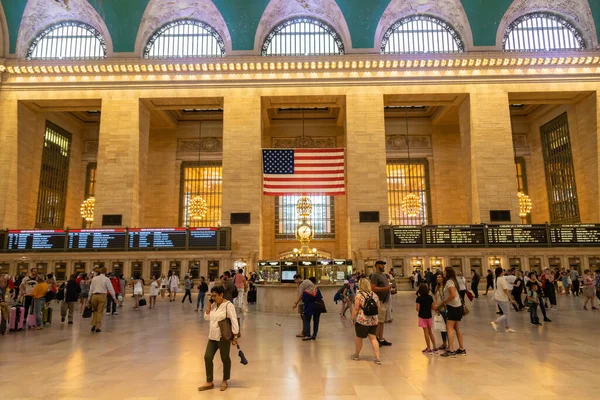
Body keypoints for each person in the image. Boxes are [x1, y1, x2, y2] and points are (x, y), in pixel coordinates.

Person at [198, 285, 239, 392]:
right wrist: (208, 305)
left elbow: (234, 320)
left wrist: (235, 336)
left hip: (223, 337)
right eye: (212, 296)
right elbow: (207, 317)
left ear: (221, 295)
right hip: (212, 336)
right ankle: (209, 381)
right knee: (207, 357)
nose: (213, 298)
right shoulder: (213, 305)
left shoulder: (228, 305)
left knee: (225, 358)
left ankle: (225, 380)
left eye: (215, 296)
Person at [350, 278, 381, 365]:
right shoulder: (374, 295)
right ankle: (377, 357)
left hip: (362, 321)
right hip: (373, 320)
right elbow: (379, 307)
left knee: (359, 338)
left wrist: (352, 318)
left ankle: (356, 355)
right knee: (373, 338)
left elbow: (356, 309)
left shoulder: (358, 296)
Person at [437, 267, 466, 357]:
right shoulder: (453, 281)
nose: (443, 272)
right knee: (457, 328)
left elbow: (453, 295)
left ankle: (451, 350)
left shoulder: (449, 282)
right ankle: (461, 348)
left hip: (453, 307)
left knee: (449, 328)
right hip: (457, 306)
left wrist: (444, 302)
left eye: (444, 271)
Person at [370, 260, 392, 347]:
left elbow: (385, 287)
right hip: (379, 301)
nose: (383, 266)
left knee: (382, 321)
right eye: (382, 265)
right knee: (379, 321)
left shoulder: (383, 275)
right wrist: (385, 289)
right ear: (377, 265)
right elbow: (373, 288)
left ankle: (381, 338)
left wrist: (390, 289)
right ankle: (376, 339)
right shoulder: (375, 275)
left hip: (385, 300)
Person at [89, 267, 118, 333]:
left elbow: (91, 289)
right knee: (100, 312)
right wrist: (114, 297)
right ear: (105, 272)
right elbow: (110, 289)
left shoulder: (94, 278)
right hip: (102, 296)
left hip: (94, 296)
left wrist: (89, 298)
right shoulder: (106, 279)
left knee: (95, 311)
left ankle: (93, 324)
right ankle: (97, 327)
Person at [491, 267, 518, 333]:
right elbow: (505, 290)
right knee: (506, 314)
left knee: (505, 313)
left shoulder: (497, 279)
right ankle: (495, 322)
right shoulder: (502, 279)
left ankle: (507, 328)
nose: (504, 272)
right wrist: (511, 299)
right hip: (502, 298)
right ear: (501, 272)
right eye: (503, 271)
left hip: (498, 297)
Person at [416, 283, 437, 355]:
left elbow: (417, 309)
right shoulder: (430, 297)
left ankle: (428, 348)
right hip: (429, 316)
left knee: (426, 332)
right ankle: (434, 346)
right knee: (430, 331)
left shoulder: (419, 298)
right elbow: (433, 307)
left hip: (422, 316)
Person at [301, 277, 323, 341]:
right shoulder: (317, 289)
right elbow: (320, 297)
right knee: (316, 321)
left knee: (307, 320)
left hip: (308, 307)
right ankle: (314, 335)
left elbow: (304, 300)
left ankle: (308, 335)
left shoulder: (306, 292)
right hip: (317, 307)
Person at [432, 274, 448, 351]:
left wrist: (438, 305)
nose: (438, 278)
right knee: (442, 326)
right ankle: (444, 343)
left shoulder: (445, 287)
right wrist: (435, 305)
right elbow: (435, 297)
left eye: (440, 277)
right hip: (439, 308)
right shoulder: (437, 287)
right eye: (437, 277)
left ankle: (449, 342)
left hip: (445, 308)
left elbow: (445, 298)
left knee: (447, 326)